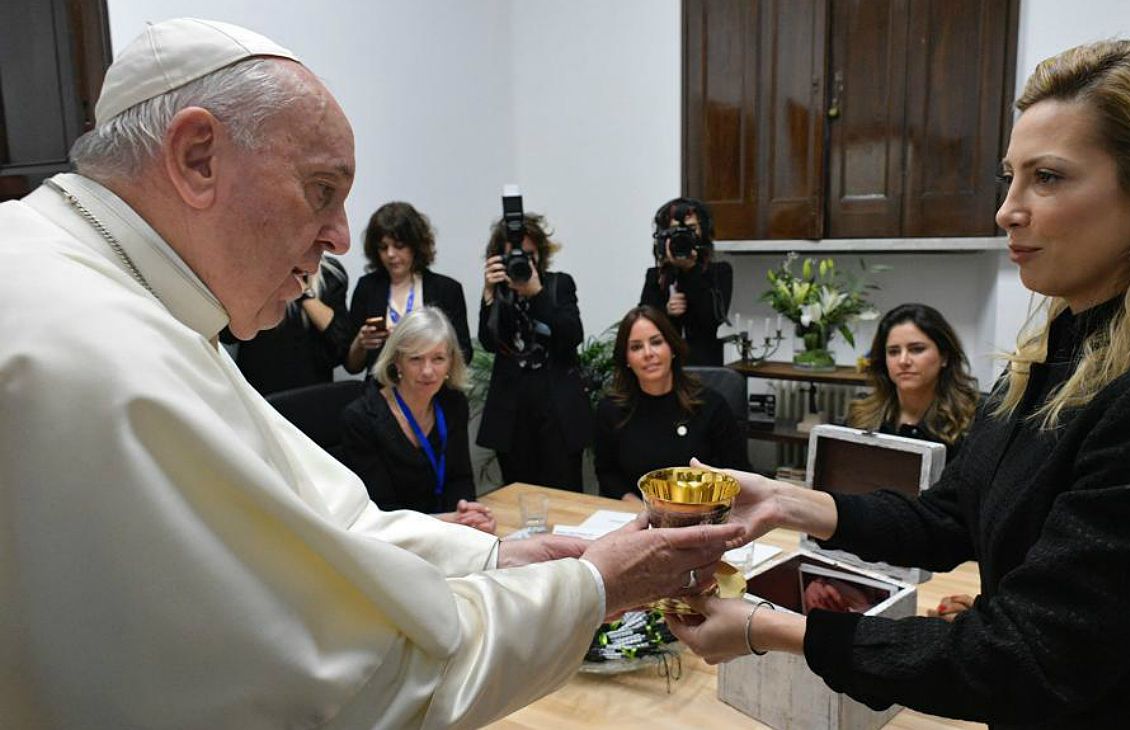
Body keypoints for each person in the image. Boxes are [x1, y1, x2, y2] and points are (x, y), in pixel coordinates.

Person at [0, 19, 743, 728]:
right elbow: (348, 689)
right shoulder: (100, 353)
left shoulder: (130, 296)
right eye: (322, 189)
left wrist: (494, 553)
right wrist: (597, 586)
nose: (341, 236)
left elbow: (333, 527)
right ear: (199, 156)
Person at [667, 39, 1130, 729]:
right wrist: (785, 501)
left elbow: (1027, 659)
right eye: (1010, 177)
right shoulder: (1055, 355)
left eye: (1049, 178)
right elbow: (950, 517)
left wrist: (770, 628)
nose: (1007, 210)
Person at [341, 306, 494, 532]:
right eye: (416, 359)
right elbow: (380, 510)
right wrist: (446, 521)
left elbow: (459, 478)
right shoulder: (361, 418)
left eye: (438, 358)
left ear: (451, 362)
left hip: (448, 532)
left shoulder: (453, 404)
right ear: (397, 362)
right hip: (391, 541)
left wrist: (467, 512)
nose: (427, 371)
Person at [477, 212, 591, 490]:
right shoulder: (499, 293)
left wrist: (537, 294)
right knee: (518, 497)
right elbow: (490, 343)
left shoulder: (558, 284)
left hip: (557, 415)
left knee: (566, 495)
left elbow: (571, 335)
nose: (522, 261)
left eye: (529, 254)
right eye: (514, 256)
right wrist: (490, 297)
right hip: (512, 416)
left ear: (539, 254)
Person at [595, 305, 751, 503]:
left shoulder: (711, 405)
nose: (648, 353)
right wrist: (636, 506)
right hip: (639, 519)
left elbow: (738, 473)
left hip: (703, 518)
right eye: (636, 347)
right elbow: (607, 472)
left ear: (672, 347)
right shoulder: (611, 410)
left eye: (656, 342)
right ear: (626, 359)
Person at [345, 201, 472, 375]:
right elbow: (352, 366)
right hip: (381, 390)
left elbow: (464, 355)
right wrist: (361, 343)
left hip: (433, 388)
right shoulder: (367, 287)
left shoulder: (447, 289)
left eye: (399, 246)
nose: (390, 254)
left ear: (416, 246)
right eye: (383, 248)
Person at [846, 303, 980, 461]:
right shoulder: (861, 415)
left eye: (917, 349)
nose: (903, 361)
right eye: (894, 351)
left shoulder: (973, 420)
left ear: (944, 356)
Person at [220, 254, 352, 394]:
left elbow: (340, 344)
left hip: (312, 391)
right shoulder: (255, 269)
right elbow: (227, 334)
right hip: (258, 388)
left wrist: (303, 291)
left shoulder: (329, 274)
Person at [639, 197, 733, 366]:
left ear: (703, 232)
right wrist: (666, 311)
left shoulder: (719, 272)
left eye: (691, 229)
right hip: (664, 366)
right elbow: (643, 322)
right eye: (675, 230)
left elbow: (712, 319)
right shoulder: (656, 276)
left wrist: (691, 270)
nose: (683, 236)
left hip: (704, 366)